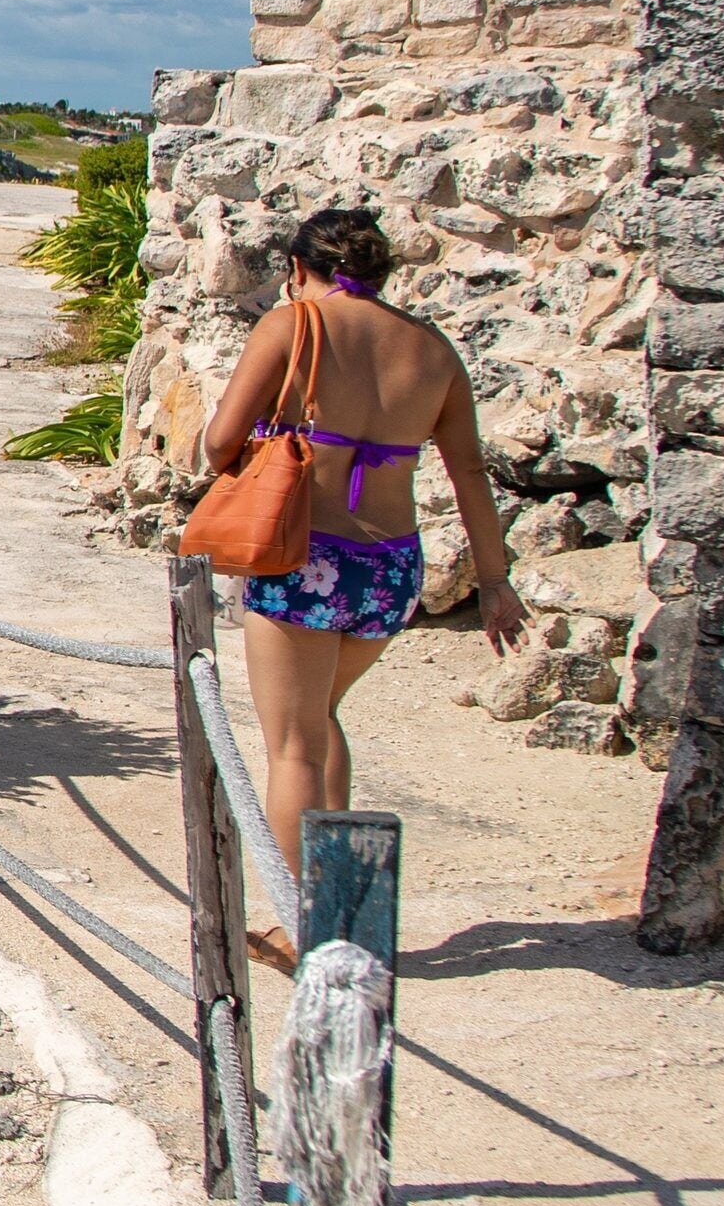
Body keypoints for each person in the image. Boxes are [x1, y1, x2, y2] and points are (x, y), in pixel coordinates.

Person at [199, 207, 528, 968]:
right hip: (391, 568)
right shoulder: (432, 349)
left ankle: (296, 923)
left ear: (298, 269)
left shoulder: (292, 326)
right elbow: (469, 471)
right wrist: (494, 580)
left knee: (292, 745)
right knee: (320, 720)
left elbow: (217, 444)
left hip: (304, 558)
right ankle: (333, 904)